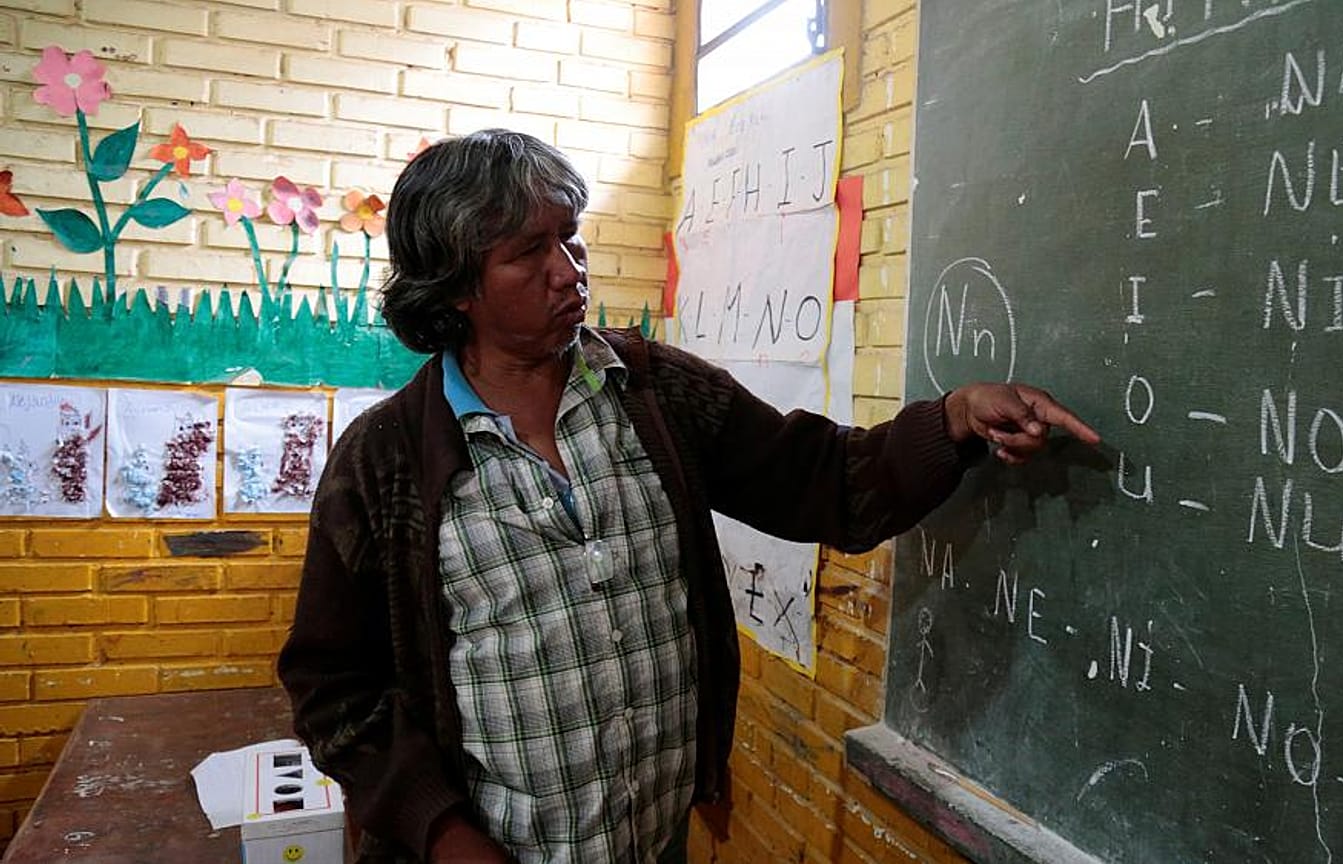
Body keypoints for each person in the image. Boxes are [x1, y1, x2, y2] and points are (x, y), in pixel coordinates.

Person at [277, 129, 1099, 864]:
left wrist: (954, 418)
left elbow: (824, 484)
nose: (569, 273)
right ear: (457, 286)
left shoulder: (654, 392)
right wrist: (445, 835)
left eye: (571, 238)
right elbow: (334, 692)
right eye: (530, 253)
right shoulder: (383, 464)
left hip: (653, 835)